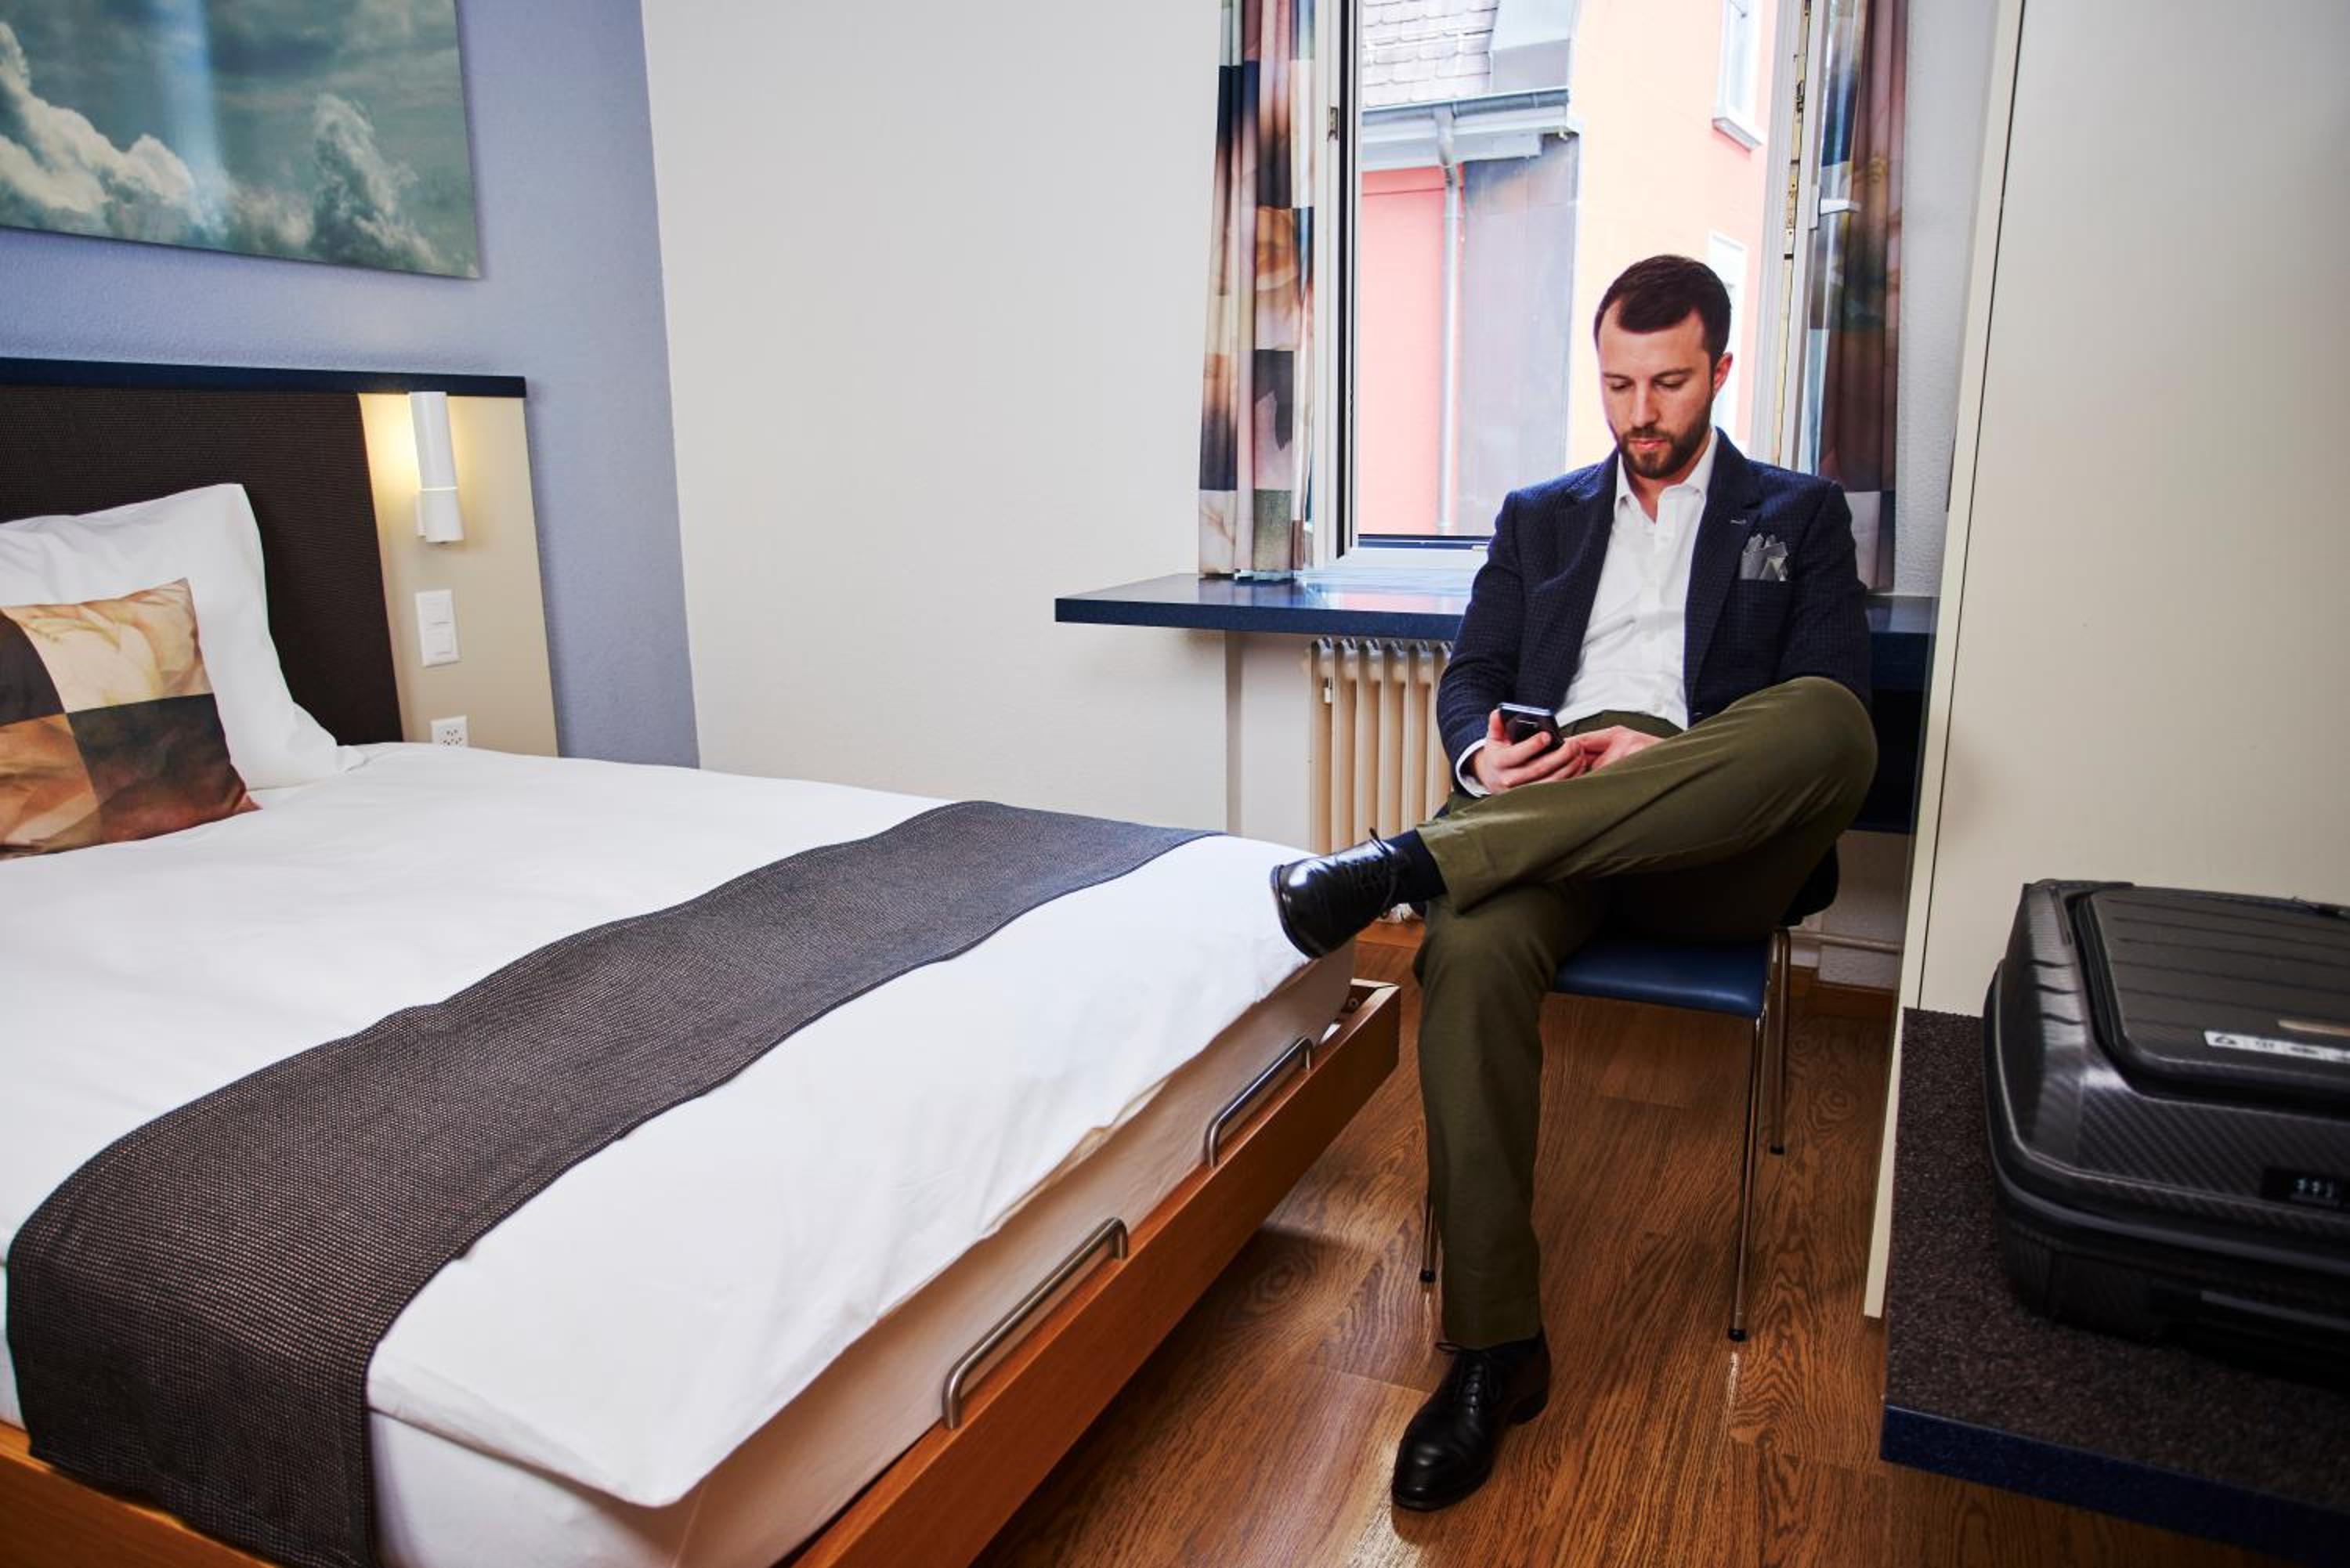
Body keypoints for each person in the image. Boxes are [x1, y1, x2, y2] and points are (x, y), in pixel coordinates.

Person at [1269, 254, 1877, 1512]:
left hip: (1710, 836)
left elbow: (1827, 715)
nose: (1640, 413)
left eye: (1668, 384)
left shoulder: (1802, 514)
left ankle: (1411, 861)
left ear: (1721, 370)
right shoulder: (1538, 514)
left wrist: (1665, 756)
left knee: (1830, 721)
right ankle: (1496, 1347)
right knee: (1470, 947)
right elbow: (1471, 675)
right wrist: (1481, 756)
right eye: (1617, 385)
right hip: (1547, 816)